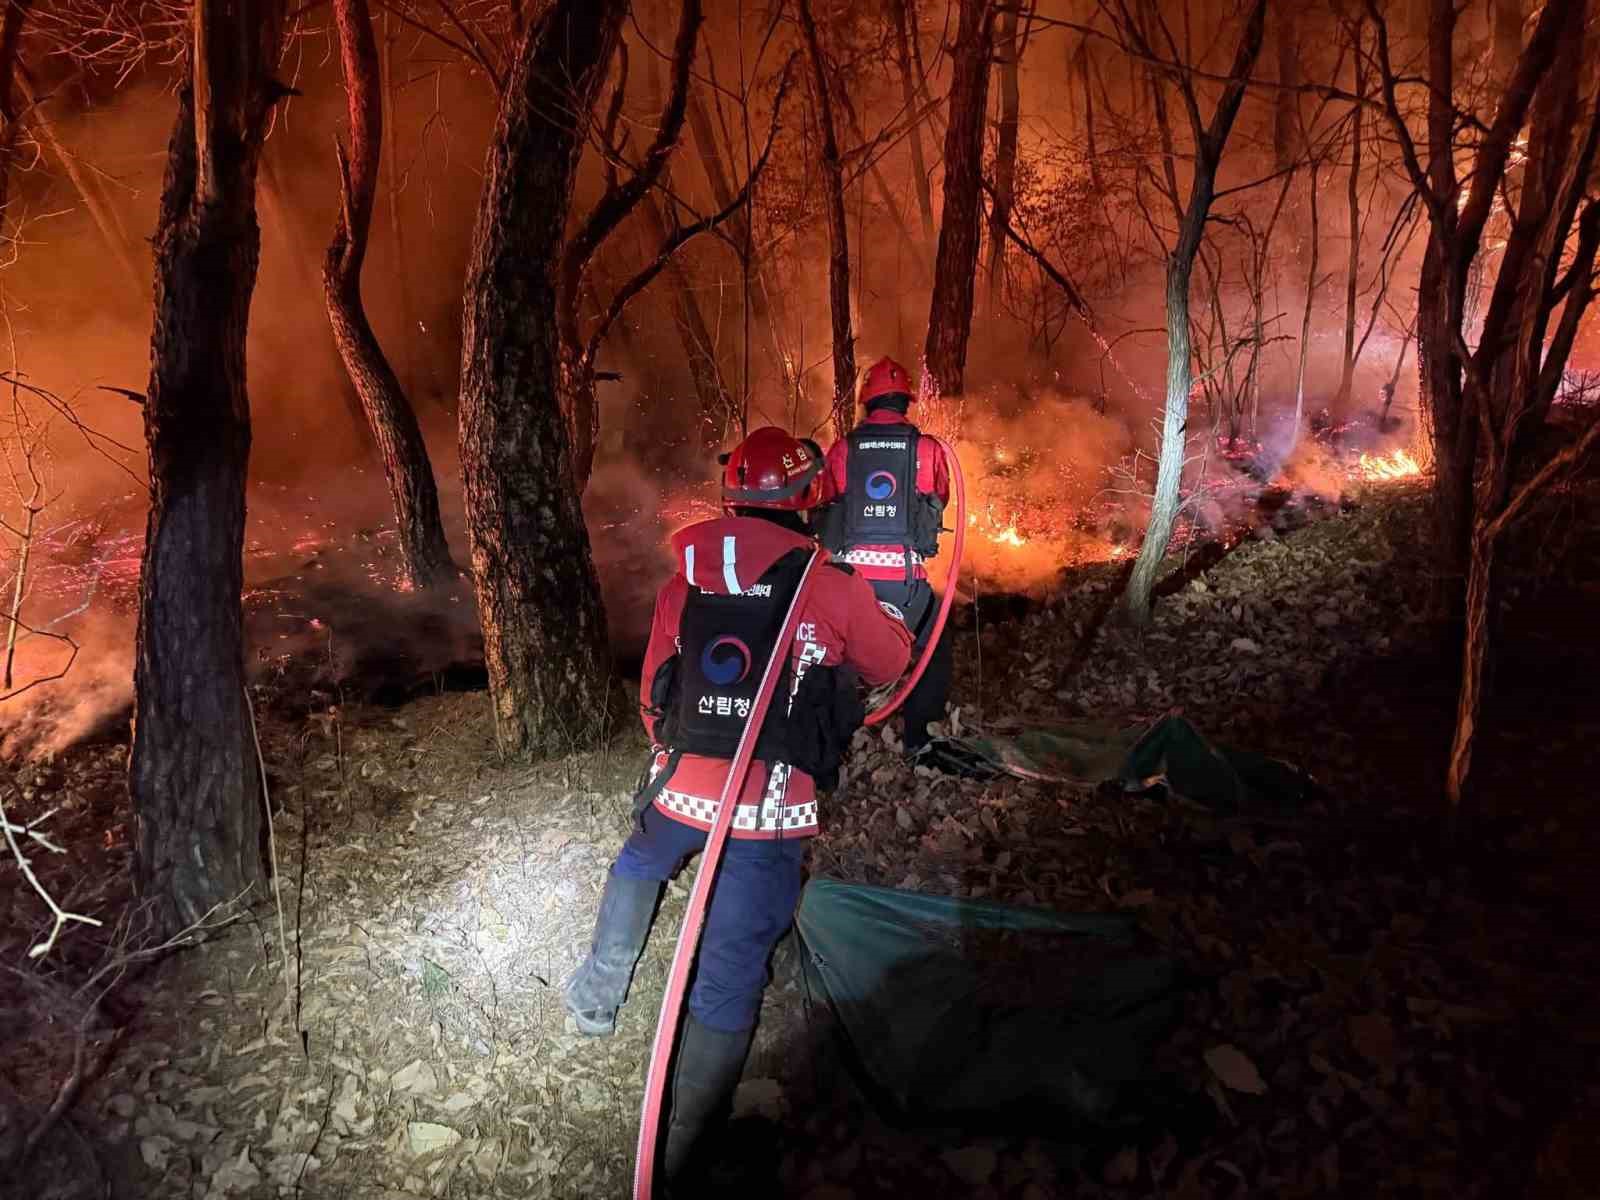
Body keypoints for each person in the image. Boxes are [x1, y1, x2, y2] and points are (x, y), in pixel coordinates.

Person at [563, 426, 912, 1182]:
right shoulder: (827, 579)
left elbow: (658, 689)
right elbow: (888, 663)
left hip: (681, 784)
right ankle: (690, 1138)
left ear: (733, 496)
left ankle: (594, 1002)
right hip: (768, 805)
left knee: (642, 857)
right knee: (729, 961)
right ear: (804, 499)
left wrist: (676, 757)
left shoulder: (682, 579)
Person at [816, 356, 952, 754]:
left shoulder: (843, 449)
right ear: (905, 402)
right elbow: (939, 498)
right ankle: (919, 739)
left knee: (831, 654)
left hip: (849, 586)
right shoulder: (926, 450)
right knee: (934, 649)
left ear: (867, 402)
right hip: (907, 589)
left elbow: (827, 499)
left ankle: (829, 740)